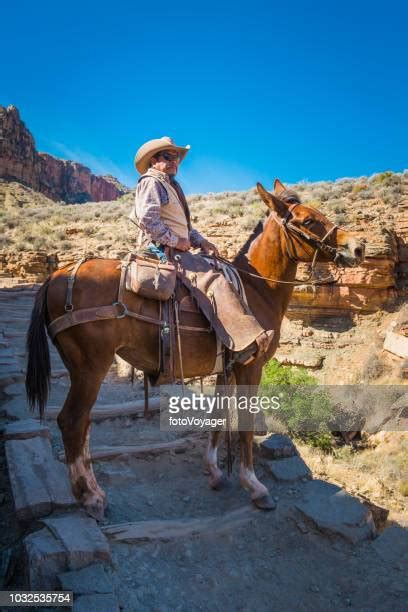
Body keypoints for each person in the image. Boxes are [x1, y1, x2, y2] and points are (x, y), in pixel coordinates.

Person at [130, 136, 274, 364]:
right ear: (154, 160)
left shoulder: (170, 185)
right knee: (213, 281)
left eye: (176, 157)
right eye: (168, 156)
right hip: (162, 250)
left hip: (174, 247)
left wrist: (201, 242)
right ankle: (243, 345)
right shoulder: (152, 182)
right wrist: (176, 242)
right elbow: (148, 220)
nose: (174, 161)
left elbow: (185, 228)